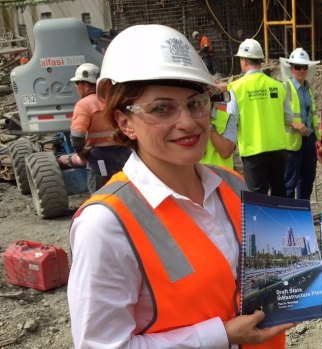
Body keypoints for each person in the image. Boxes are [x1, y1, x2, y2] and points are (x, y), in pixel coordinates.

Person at [67, 24, 297, 348]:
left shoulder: (234, 186)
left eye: (194, 103)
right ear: (124, 122)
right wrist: (222, 336)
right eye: (161, 108)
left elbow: (277, 274)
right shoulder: (105, 225)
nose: (188, 122)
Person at [226, 38, 307, 197]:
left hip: (253, 152)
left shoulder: (236, 87)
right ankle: (282, 222)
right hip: (278, 150)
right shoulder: (277, 86)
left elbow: (231, 120)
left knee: (258, 198)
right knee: (279, 193)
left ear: (243, 61)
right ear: (260, 61)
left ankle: (263, 223)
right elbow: (288, 117)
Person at [68, 63, 131, 193]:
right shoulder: (115, 100)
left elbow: (76, 138)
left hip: (99, 159)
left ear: (85, 85)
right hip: (125, 155)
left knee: (101, 196)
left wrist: (82, 154)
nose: (76, 88)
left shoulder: (84, 105)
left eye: (77, 84)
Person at [282, 47, 321, 200]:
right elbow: (278, 113)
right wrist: (295, 124)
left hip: (309, 140)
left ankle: (303, 212)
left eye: (305, 67)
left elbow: (313, 113)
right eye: (298, 67)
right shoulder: (285, 87)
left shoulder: (308, 87)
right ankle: (289, 216)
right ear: (291, 68)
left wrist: (317, 136)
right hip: (292, 144)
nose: (302, 70)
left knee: (307, 180)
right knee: (289, 182)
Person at [200, 92, 236, 169]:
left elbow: (226, 152)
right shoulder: (187, 120)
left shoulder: (227, 118)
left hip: (221, 176)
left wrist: (208, 122)